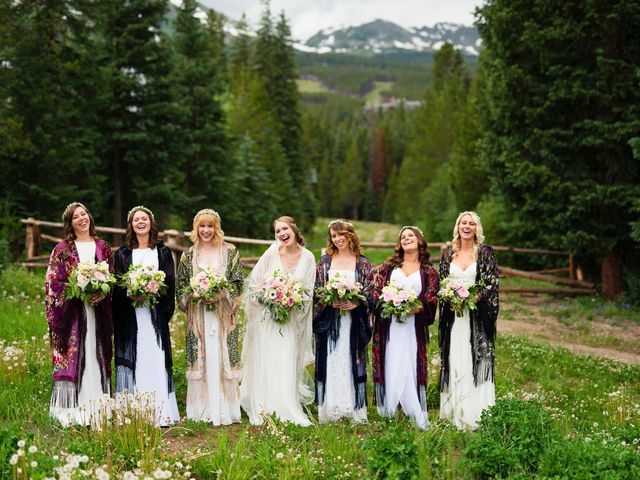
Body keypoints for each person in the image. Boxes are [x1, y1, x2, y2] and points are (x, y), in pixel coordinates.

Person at [240, 216, 315, 426]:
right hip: (268, 320)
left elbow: (308, 292)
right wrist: (268, 299)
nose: (281, 234)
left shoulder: (308, 257)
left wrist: (290, 303)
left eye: (285, 229)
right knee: (268, 360)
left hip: (290, 321)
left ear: (294, 229)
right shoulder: (272, 252)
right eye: (277, 231)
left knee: (286, 359)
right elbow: (254, 282)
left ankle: (286, 406)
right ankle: (264, 406)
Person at [45, 202, 113, 427]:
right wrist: (77, 290)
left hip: (97, 313)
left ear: (89, 217)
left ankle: (97, 406)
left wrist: (101, 293)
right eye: (76, 217)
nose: (82, 218)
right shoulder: (62, 249)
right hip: (72, 315)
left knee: (95, 352)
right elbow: (53, 283)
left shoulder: (103, 247)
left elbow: (111, 278)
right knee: (77, 352)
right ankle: (71, 412)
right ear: (70, 223)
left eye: (84, 214)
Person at [176, 209, 244, 425]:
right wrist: (198, 294)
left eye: (210, 226)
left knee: (220, 357)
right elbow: (181, 287)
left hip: (223, 316)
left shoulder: (230, 252)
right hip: (198, 317)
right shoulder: (188, 255)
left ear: (217, 228)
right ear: (196, 228)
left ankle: (226, 409)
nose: (206, 230)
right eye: (202, 226)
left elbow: (238, 283)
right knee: (203, 359)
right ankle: (202, 410)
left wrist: (219, 293)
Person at [113, 205, 179, 426]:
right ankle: (132, 413)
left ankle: (161, 412)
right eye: (135, 220)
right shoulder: (122, 253)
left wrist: (158, 305)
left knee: (155, 357)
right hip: (131, 317)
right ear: (131, 225)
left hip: (154, 316)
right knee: (136, 357)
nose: (140, 222)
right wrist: (131, 294)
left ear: (151, 223)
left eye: (144, 219)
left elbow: (169, 284)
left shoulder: (161, 252)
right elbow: (118, 282)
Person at [368, 226, 438, 430]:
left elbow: (432, 298)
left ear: (419, 241)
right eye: (403, 237)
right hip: (390, 326)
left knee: (410, 362)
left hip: (411, 327)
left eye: (411, 235)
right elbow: (375, 291)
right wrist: (387, 303)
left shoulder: (428, 271)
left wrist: (418, 308)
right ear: (400, 244)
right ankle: (390, 408)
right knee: (390, 360)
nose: (407, 238)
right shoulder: (388, 268)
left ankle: (412, 406)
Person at [438, 211, 499, 430]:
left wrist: (472, 298)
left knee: (477, 359)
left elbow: (491, 284)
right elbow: (442, 282)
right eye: (463, 222)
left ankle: (477, 413)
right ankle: (455, 412)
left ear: (476, 228)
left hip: (477, 318)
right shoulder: (448, 254)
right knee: (456, 358)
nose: (467, 226)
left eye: (471, 223)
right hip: (455, 319)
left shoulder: (485, 253)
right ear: (457, 226)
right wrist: (450, 298)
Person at [313, 219, 372, 423]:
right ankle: (330, 408)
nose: (338, 239)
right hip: (330, 321)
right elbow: (318, 289)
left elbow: (369, 291)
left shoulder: (362, 262)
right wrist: (330, 300)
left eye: (341, 235)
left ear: (350, 235)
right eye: (333, 236)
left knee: (350, 358)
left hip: (352, 323)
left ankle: (353, 408)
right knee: (331, 358)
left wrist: (356, 303)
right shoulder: (325, 261)